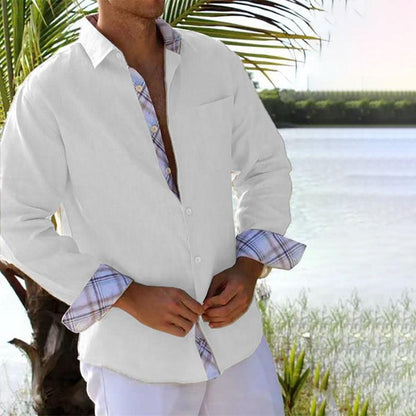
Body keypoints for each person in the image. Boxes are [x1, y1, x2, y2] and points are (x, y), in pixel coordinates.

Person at [0, 0, 307, 414]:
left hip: (238, 349)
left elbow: (266, 166)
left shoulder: (215, 61)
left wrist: (249, 264)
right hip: (134, 368)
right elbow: (13, 221)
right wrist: (127, 296)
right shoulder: (51, 90)